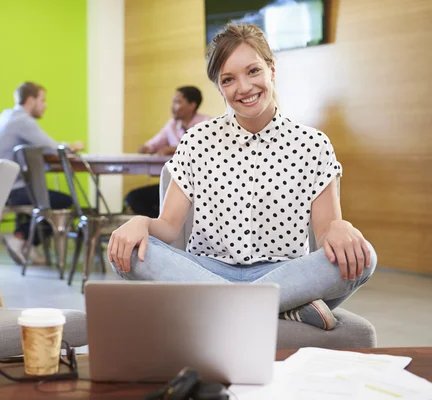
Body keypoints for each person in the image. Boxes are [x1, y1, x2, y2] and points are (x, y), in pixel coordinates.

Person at [107, 23, 377, 331]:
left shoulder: (312, 144)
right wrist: (140, 222)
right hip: (207, 268)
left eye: (253, 71)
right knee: (124, 249)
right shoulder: (197, 140)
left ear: (271, 70)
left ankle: (221, 306)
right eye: (228, 79)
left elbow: (327, 234)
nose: (244, 87)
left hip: (285, 272)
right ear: (219, 87)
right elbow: (168, 228)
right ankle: (282, 308)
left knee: (365, 256)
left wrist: (340, 227)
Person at [0, 81, 84, 265]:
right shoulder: (23, 121)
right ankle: (21, 238)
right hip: (10, 190)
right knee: (62, 202)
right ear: (30, 100)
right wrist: (73, 146)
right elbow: (52, 148)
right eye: (43, 100)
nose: (45, 105)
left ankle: (27, 243)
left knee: (43, 195)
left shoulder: (7, 116)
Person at [125, 86, 210, 218]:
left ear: (192, 105)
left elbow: (205, 150)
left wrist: (174, 149)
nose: (172, 106)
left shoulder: (206, 123)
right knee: (133, 198)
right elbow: (151, 145)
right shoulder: (172, 125)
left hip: (199, 186)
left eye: (177, 102)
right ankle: (161, 231)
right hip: (174, 183)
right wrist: (146, 148)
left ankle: (168, 227)